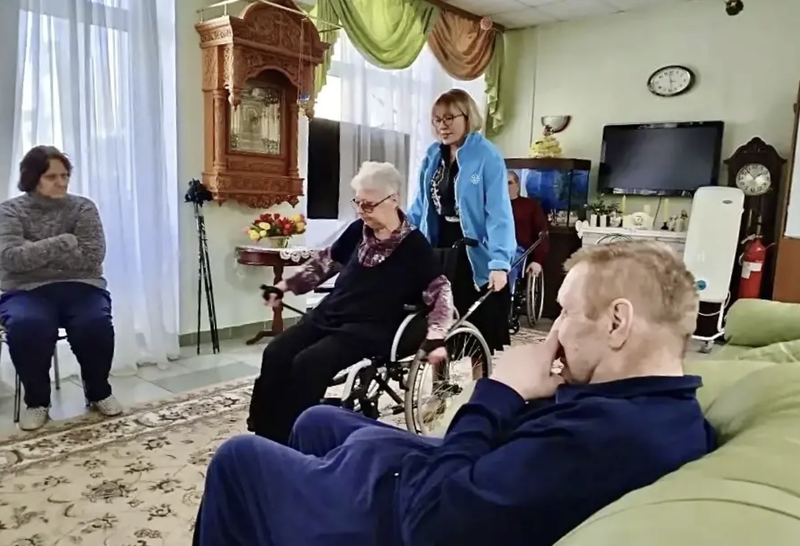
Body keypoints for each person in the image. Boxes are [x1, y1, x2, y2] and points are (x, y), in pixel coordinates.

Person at [193, 240, 716, 546]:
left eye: (565, 311)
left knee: (240, 459)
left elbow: (434, 524)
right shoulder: (653, 409)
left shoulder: (608, 436)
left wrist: (498, 392)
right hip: (441, 475)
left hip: (409, 512)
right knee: (316, 421)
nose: (555, 329)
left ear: (617, 322)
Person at [247, 161, 454, 445]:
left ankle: (294, 440)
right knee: (276, 352)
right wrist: (284, 287)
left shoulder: (415, 246)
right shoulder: (358, 230)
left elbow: (440, 292)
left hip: (368, 326)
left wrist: (436, 335)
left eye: (368, 205)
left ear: (393, 200)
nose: (361, 211)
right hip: (330, 313)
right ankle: (265, 434)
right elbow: (325, 262)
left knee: (309, 364)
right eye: (358, 203)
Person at [0, 145, 122, 431]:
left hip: (82, 286)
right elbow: (11, 259)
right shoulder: (10, 211)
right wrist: (65, 241)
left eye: (65, 175)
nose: (62, 182)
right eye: (52, 176)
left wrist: (34, 249)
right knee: (28, 325)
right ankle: (37, 402)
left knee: (95, 324)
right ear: (33, 178)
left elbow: (92, 257)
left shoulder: (83, 208)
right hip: (25, 290)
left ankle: (99, 392)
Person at [407, 88, 515, 366]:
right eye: (437, 120)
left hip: (474, 247)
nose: (442, 126)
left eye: (449, 118)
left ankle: (480, 383)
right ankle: (437, 385)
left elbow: (499, 213)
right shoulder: (433, 155)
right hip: (439, 243)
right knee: (438, 323)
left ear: (468, 117)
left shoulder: (487, 155)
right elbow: (421, 205)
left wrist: (499, 261)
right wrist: (400, 236)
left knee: (478, 324)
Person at [507, 170, 550, 293]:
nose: (506, 187)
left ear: (517, 185)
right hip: (494, 249)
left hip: (518, 250)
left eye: (509, 183)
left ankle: (506, 297)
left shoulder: (530, 206)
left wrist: (537, 261)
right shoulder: (494, 206)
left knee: (509, 264)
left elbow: (542, 233)